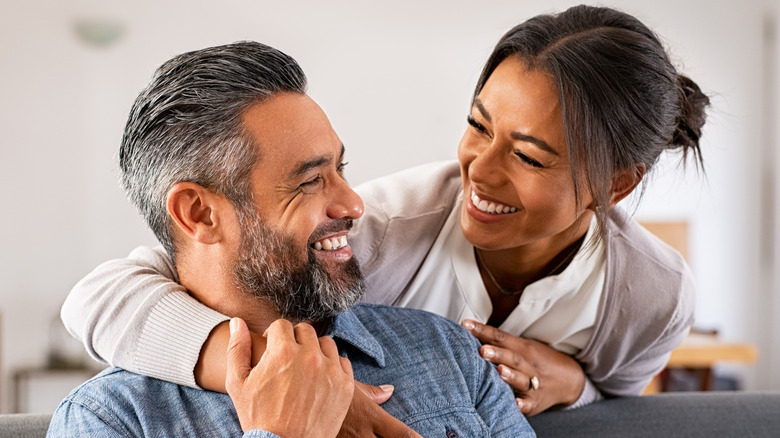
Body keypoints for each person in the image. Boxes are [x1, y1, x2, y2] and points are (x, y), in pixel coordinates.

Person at [62, 5, 710, 417]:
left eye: (531, 156)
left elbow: (620, 402)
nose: (479, 170)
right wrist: (266, 371)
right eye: (478, 127)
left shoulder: (651, 293)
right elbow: (117, 291)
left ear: (616, 185)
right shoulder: (381, 230)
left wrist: (575, 383)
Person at [47, 41, 534, 437]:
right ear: (199, 214)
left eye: (339, 169)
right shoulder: (112, 420)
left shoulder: (447, 349)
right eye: (309, 181)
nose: (353, 205)